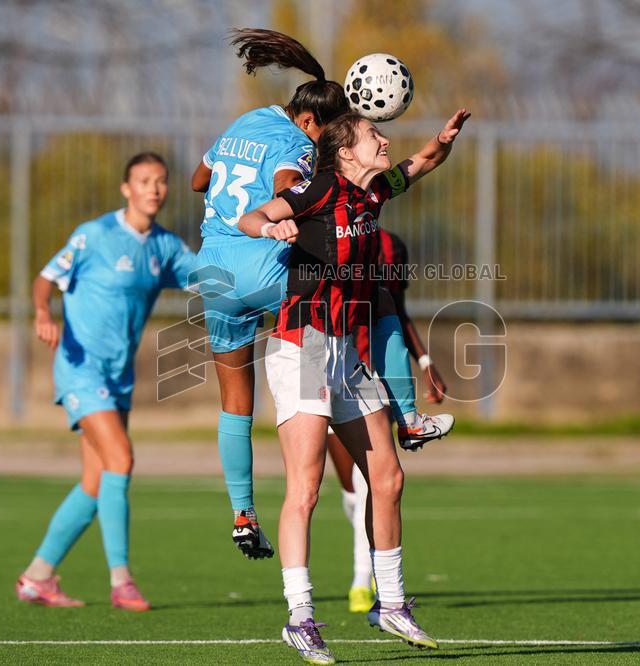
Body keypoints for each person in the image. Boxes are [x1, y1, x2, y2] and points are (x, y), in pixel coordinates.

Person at [191, 28, 454, 562]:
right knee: (367, 300)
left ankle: (243, 513)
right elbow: (290, 187)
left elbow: (199, 180)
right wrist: (284, 212)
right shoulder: (299, 145)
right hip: (264, 265)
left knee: (235, 405)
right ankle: (406, 417)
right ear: (311, 122)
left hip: (213, 272)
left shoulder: (246, 121)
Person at [239, 108, 471, 663]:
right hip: (302, 345)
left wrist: (443, 140)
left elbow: (423, 162)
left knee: (387, 478)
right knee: (306, 488)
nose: (384, 139)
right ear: (345, 151)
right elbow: (253, 216)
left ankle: (390, 603)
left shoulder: (375, 193)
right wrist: (272, 226)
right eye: (373, 134)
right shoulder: (321, 188)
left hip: (345, 351)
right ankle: (300, 617)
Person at [16, 152, 197, 611]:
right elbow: (45, 279)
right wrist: (42, 312)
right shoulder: (94, 235)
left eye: (161, 180)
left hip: (119, 376)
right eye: (144, 180)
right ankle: (122, 581)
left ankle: (37, 577)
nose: (154, 188)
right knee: (121, 458)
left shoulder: (165, 247)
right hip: (81, 368)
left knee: (96, 483)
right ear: (126, 188)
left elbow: (211, 282)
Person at [327, 228, 449, 613]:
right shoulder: (322, 231)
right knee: (351, 491)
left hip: (372, 375)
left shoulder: (392, 246)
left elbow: (396, 309)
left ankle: (363, 581)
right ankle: (368, 564)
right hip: (325, 368)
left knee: (371, 482)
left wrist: (424, 361)